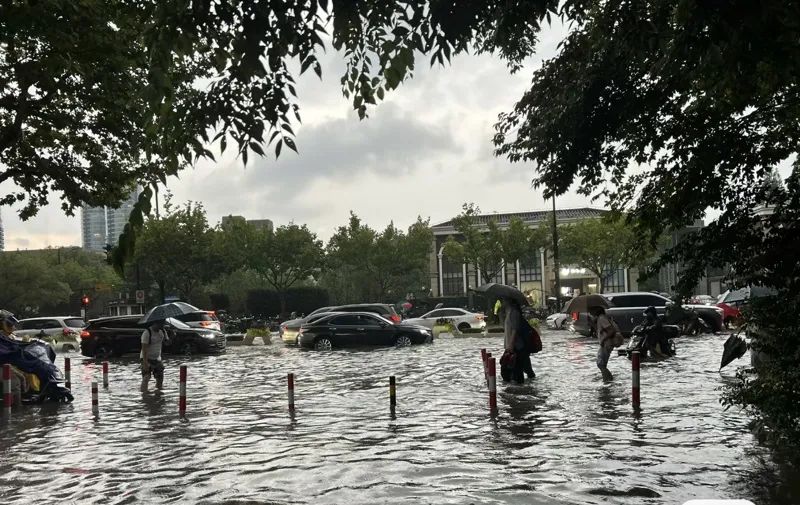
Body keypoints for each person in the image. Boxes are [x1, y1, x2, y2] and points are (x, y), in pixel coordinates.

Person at [502, 298, 535, 384]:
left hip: (517, 347)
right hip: (514, 347)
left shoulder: (514, 312)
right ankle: (523, 389)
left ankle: (520, 392)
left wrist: (511, 346)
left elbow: (515, 330)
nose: (502, 301)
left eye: (503, 299)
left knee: (514, 372)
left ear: (509, 300)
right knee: (525, 370)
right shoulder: (509, 311)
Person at [590, 305, 622, 381]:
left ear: (596, 311)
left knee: (600, 364)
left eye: (591, 311)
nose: (590, 313)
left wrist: (603, 339)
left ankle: (608, 379)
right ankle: (607, 379)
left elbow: (611, 330)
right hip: (606, 343)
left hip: (607, 343)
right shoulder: (601, 318)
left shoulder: (602, 318)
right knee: (602, 363)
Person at [141, 321, 168, 391]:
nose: (163, 325)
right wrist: (145, 363)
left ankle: (158, 393)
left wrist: (172, 336)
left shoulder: (162, 332)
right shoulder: (147, 333)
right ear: (155, 323)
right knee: (146, 377)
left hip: (157, 358)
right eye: (161, 324)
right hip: (146, 357)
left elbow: (167, 343)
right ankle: (144, 394)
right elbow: (144, 349)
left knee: (160, 378)